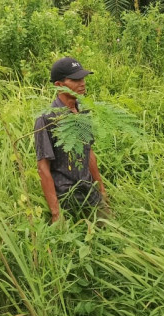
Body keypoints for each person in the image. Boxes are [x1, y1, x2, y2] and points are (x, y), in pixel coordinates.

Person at [34, 57, 108, 223]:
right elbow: (43, 167)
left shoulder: (83, 113)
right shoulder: (46, 119)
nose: (82, 83)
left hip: (89, 190)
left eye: (82, 78)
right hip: (66, 196)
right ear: (59, 85)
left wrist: (101, 189)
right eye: (75, 80)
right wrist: (56, 213)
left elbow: (89, 154)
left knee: (110, 231)